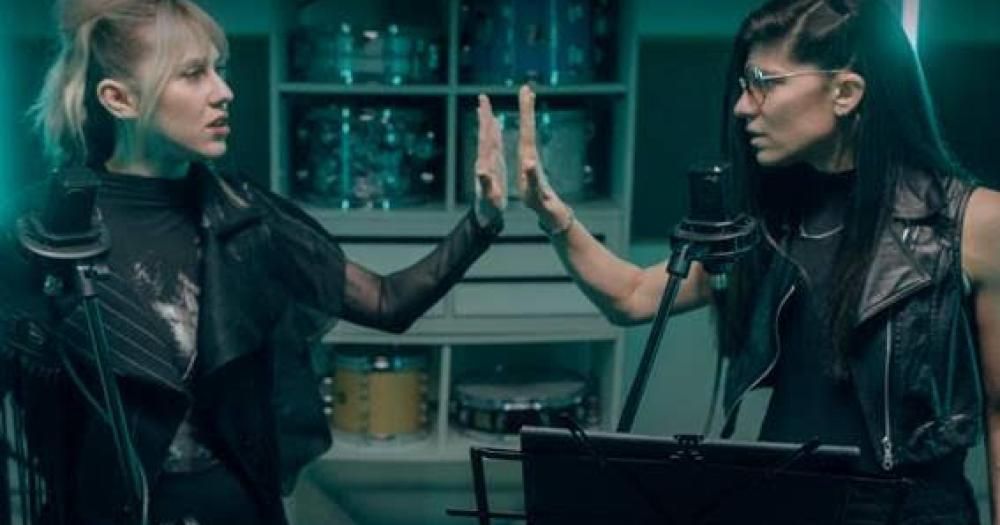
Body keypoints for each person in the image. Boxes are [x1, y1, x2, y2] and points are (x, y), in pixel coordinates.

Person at [0, 0, 509, 523]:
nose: (224, 92)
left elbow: (386, 302)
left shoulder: (243, 215)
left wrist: (482, 220)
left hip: (238, 508)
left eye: (218, 69)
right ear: (119, 99)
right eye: (193, 74)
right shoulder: (38, 230)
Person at [508, 0, 1000, 523]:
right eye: (745, 85)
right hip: (787, 506)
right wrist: (552, 214)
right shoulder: (770, 228)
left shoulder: (973, 223)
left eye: (764, 82)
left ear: (845, 92)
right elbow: (631, 297)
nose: (743, 107)